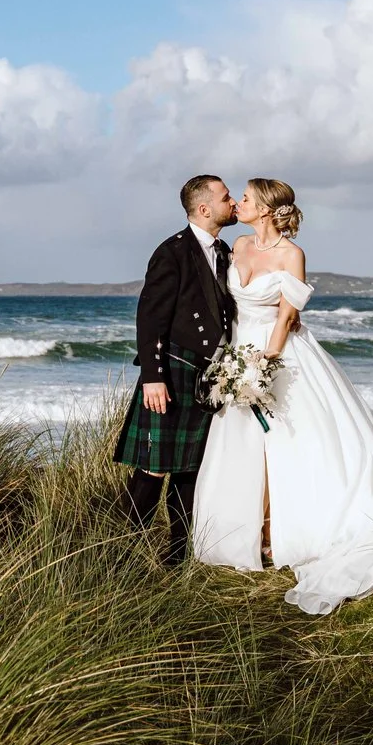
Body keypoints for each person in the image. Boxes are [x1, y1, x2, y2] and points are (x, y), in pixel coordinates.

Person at [191, 178, 373, 614]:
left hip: (276, 355)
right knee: (243, 444)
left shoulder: (291, 255)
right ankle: (249, 533)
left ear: (264, 208)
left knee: (291, 441)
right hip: (237, 349)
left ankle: (283, 532)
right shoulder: (236, 246)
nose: (237, 203)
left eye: (244, 198)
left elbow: (287, 315)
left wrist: (264, 365)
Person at [115, 174, 237, 564]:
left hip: (208, 375)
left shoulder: (224, 250)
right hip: (174, 369)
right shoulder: (172, 251)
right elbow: (150, 317)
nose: (232, 201)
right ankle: (123, 553)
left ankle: (178, 555)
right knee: (153, 468)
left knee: (189, 470)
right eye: (225, 196)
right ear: (204, 209)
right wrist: (153, 375)